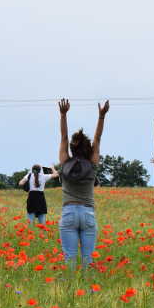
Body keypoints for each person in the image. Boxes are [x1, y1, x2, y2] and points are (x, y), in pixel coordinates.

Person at [56, 99, 108, 268]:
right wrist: (101, 116)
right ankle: (89, 292)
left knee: (69, 258)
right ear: (88, 149)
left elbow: (63, 137)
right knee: (88, 260)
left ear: (72, 149)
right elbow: (97, 138)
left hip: (69, 212)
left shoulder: (65, 162)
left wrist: (63, 115)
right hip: (88, 214)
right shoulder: (92, 164)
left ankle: (70, 292)